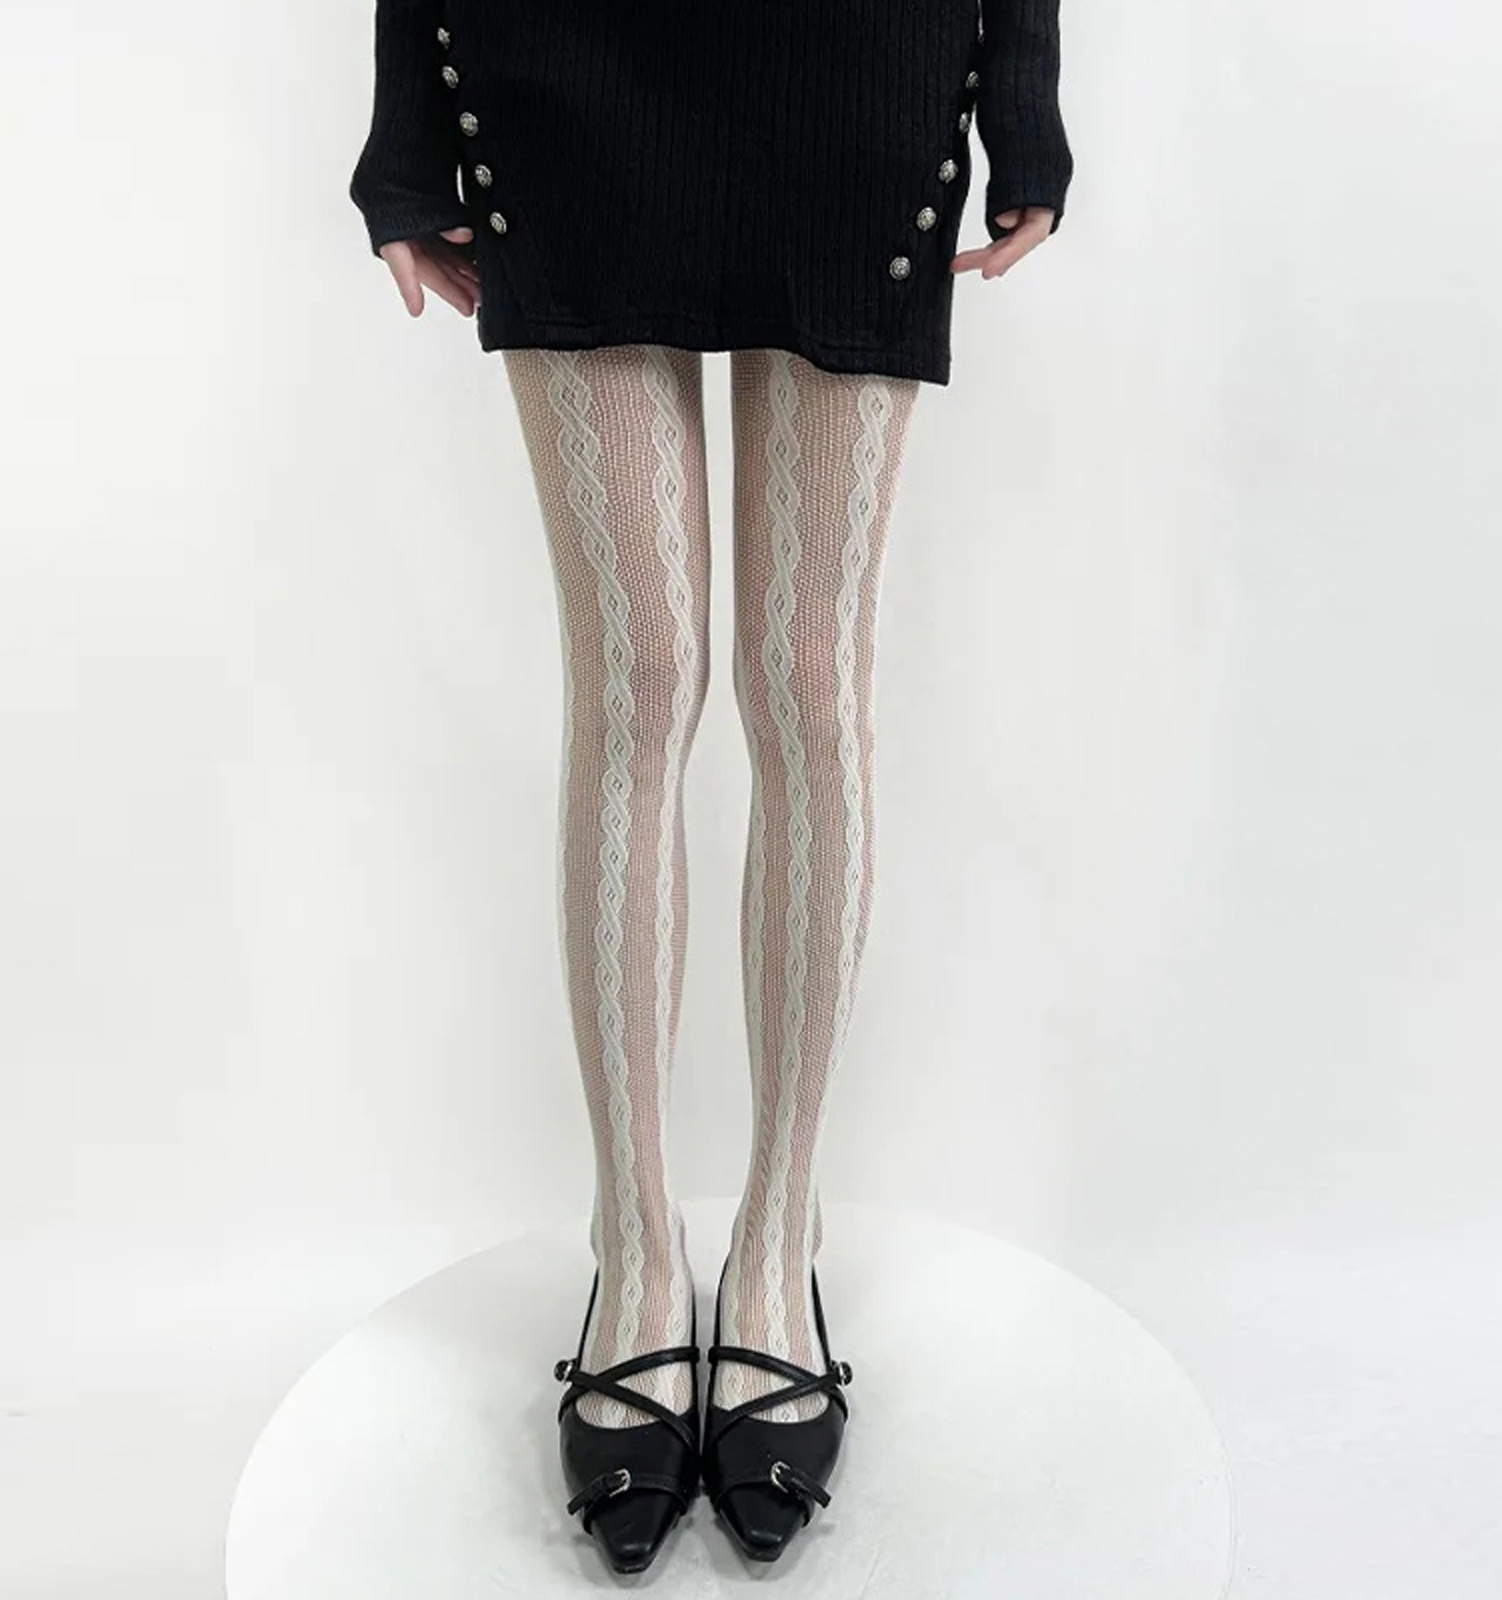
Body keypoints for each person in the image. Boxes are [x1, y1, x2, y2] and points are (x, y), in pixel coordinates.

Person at [349, 0, 1073, 1572]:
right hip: (566, 74)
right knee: (637, 679)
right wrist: (408, 148)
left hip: (859, 73)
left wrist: (1020, 97)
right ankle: (630, 1247)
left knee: (809, 685)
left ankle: (775, 1241)